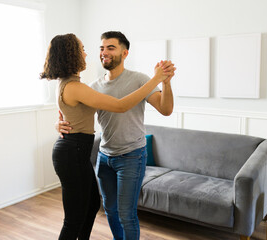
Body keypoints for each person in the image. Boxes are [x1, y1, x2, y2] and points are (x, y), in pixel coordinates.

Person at [40, 33, 174, 240]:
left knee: (112, 211)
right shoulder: (89, 87)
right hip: (100, 156)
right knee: (95, 212)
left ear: (124, 52)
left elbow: (166, 109)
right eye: (101, 48)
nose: (103, 52)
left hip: (128, 156)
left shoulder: (138, 79)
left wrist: (164, 82)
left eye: (110, 48)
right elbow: (115, 106)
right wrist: (58, 123)